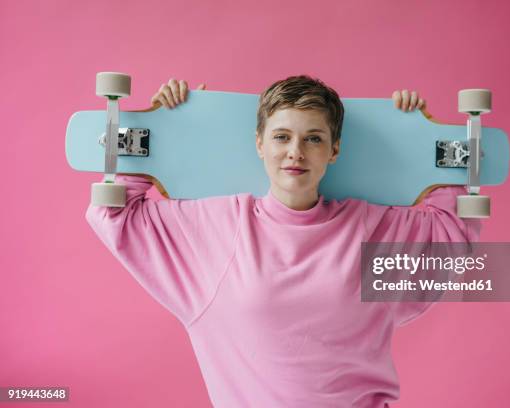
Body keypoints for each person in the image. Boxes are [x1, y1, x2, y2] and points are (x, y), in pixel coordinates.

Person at [86, 75, 480, 407]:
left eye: (313, 139)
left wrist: (418, 140)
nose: (295, 152)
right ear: (260, 144)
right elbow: (116, 215)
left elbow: (452, 233)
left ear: (334, 149)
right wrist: (165, 135)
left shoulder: (368, 228)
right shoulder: (221, 226)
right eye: (281, 137)